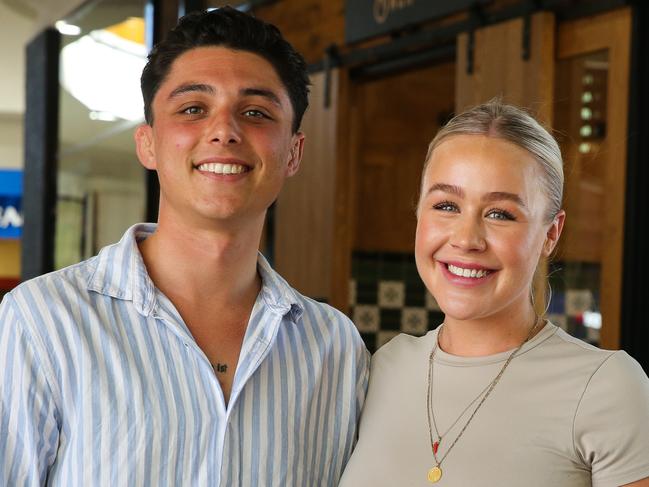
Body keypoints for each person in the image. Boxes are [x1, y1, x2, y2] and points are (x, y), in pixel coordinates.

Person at [0, 7, 369, 486]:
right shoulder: (43, 321)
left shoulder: (335, 348)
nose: (224, 130)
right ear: (148, 144)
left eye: (256, 112)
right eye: (193, 109)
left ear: (294, 151)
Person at [340, 100, 649, 487]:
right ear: (418, 212)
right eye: (446, 205)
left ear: (551, 233)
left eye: (500, 213)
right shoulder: (382, 368)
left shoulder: (606, 387)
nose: (467, 239)